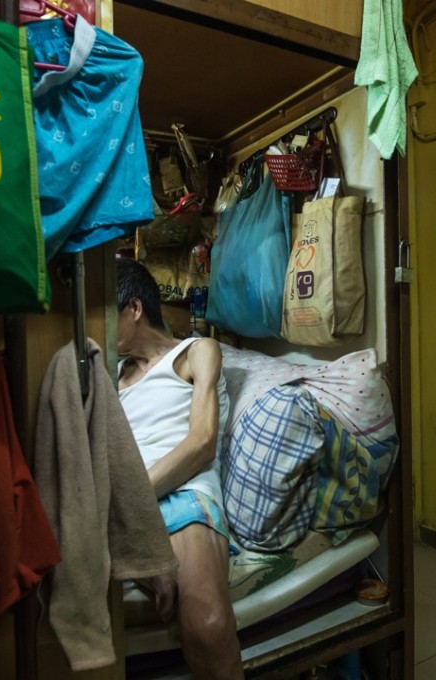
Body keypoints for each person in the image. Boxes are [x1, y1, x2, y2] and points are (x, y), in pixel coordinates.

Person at [115, 258, 243, 680]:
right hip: (127, 501)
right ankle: (146, 562)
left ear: (134, 309)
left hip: (184, 493)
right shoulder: (111, 376)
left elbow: (202, 444)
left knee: (207, 626)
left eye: (105, 312)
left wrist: (132, 501)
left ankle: (149, 558)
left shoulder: (195, 352)